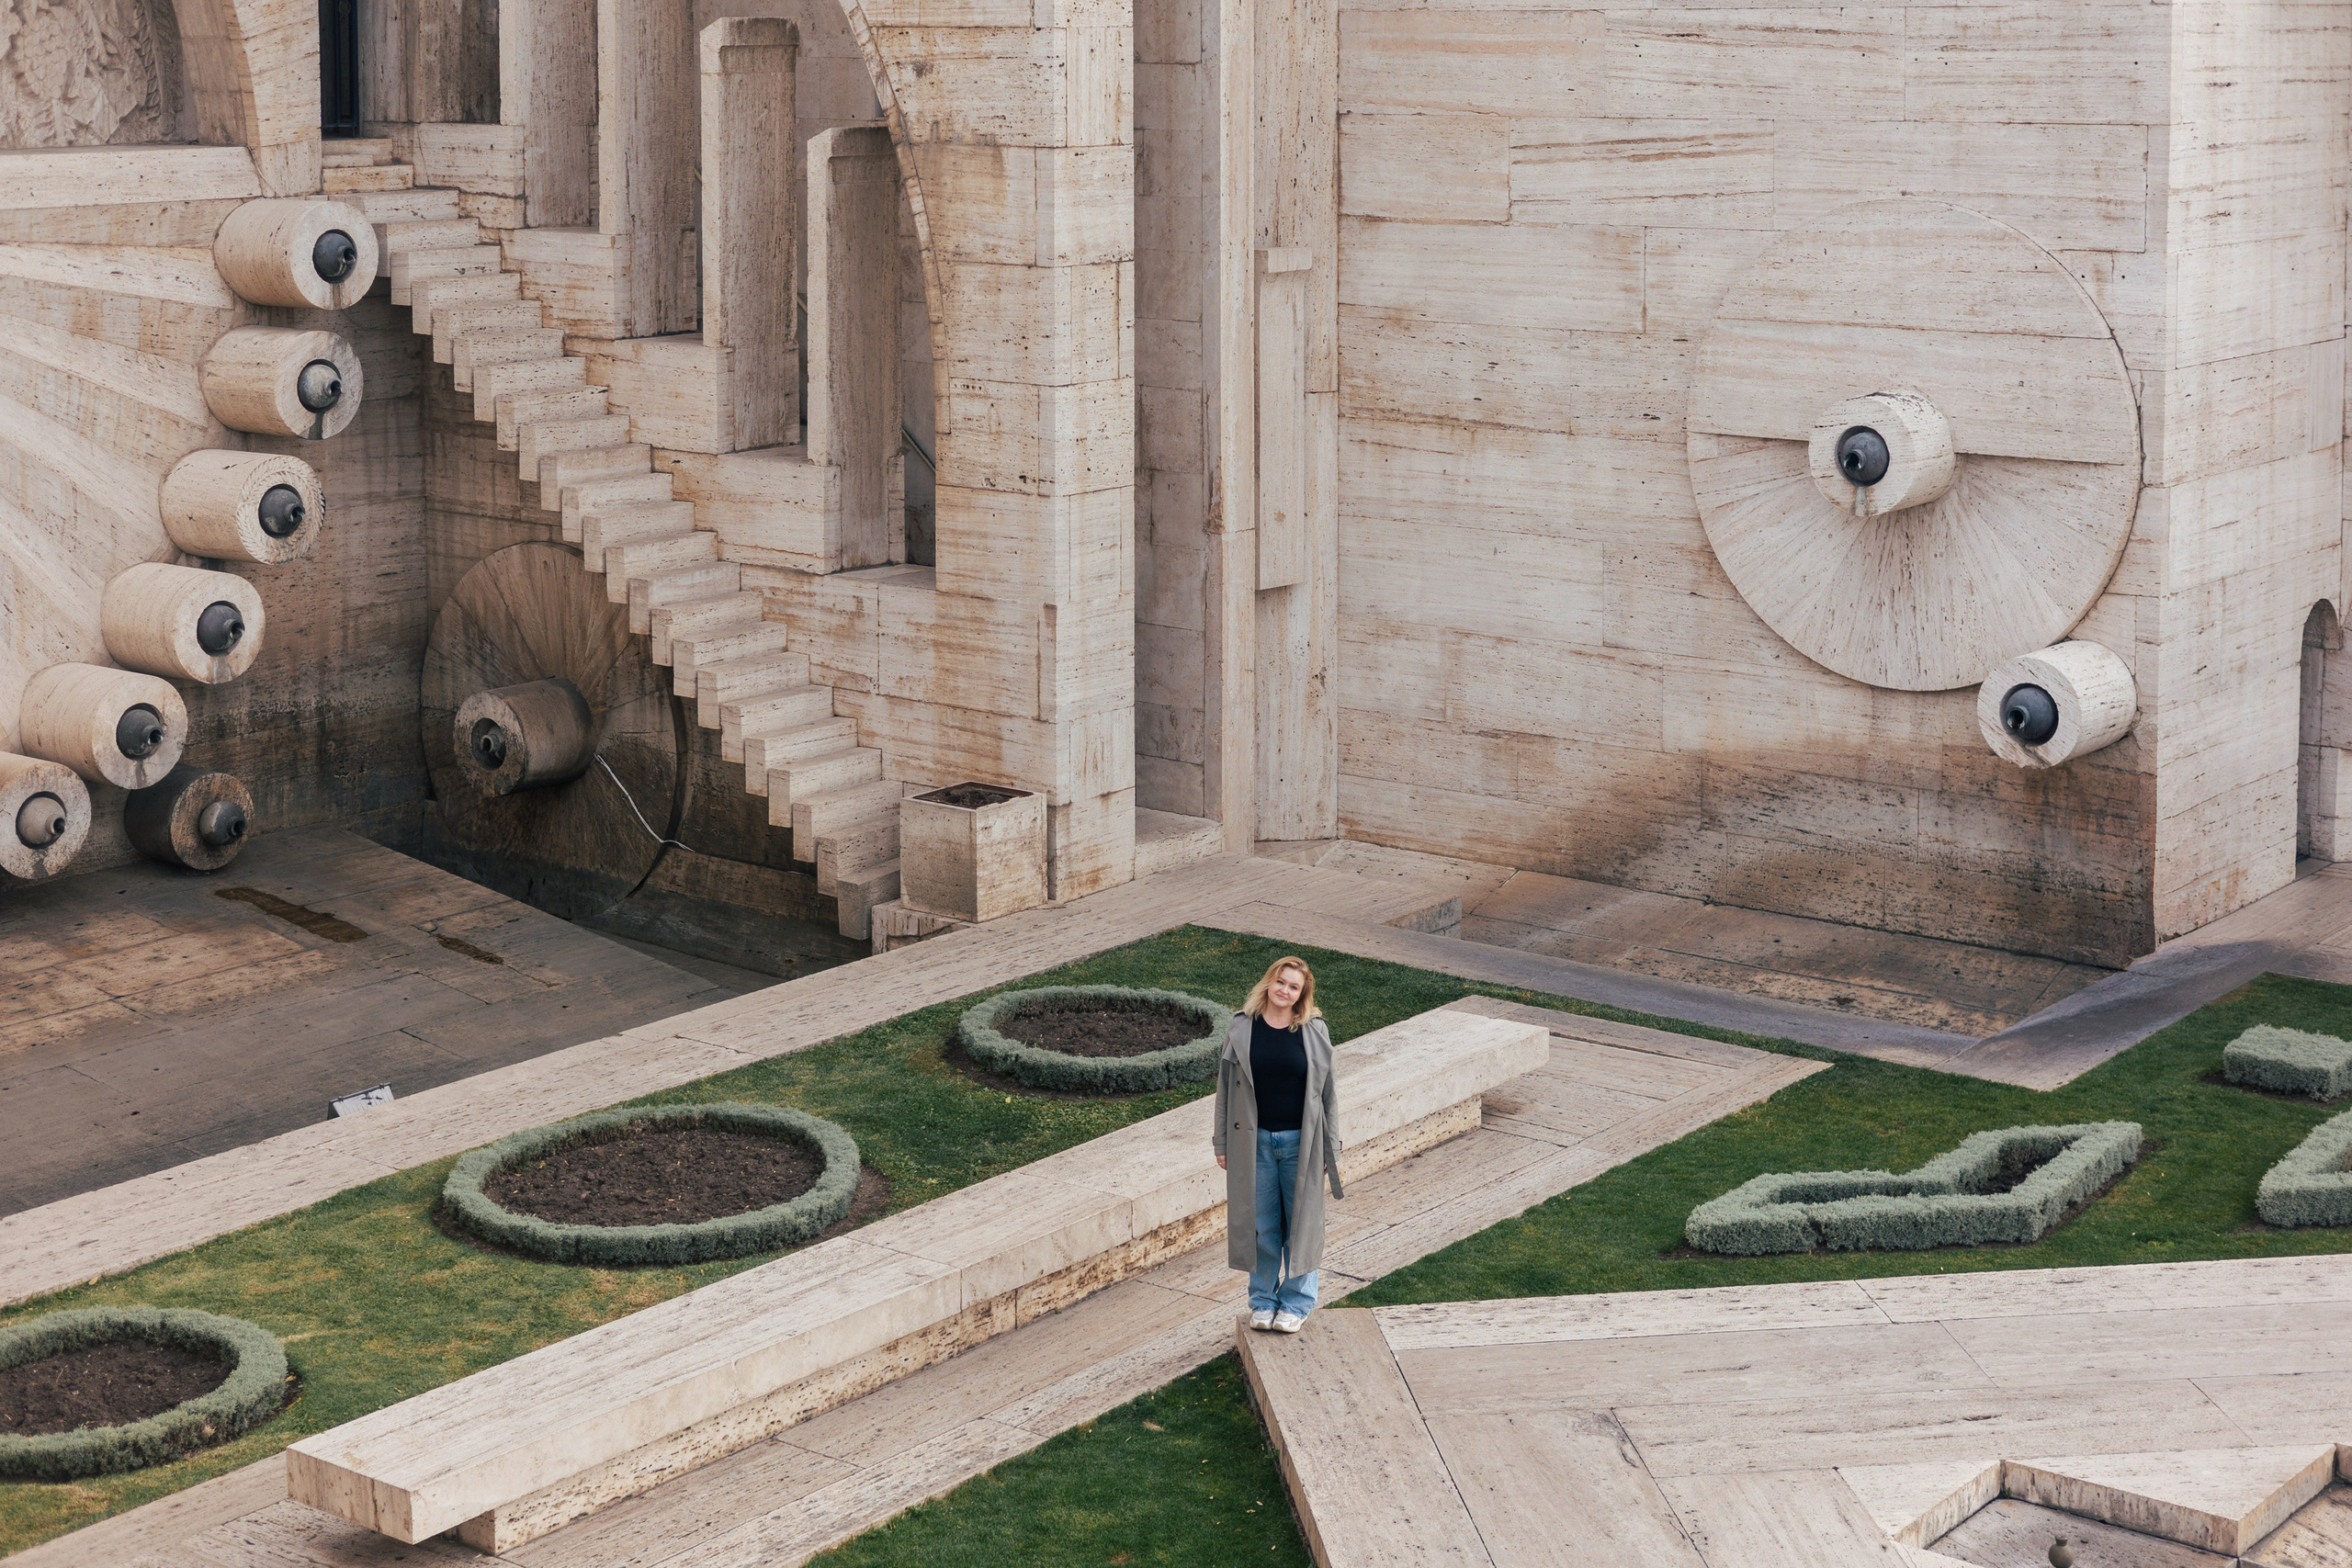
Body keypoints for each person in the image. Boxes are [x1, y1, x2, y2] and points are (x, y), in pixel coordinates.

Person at [1213, 954, 1341, 1334]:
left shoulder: (1314, 1031)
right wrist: (1220, 1141)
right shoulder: (1241, 1028)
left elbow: (1329, 1095)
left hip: (1303, 1143)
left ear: (1302, 993)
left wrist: (1330, 1147)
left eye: (1294, 986)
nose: (1285, 990)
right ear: (1269, 982)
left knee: (1301, 1225)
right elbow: (1224, 1091)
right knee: (1261, 1226)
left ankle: (1297, 1303)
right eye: (1281, 982)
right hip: (1253, 1144)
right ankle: (1263, 1301)